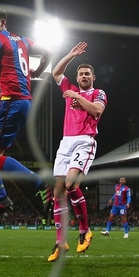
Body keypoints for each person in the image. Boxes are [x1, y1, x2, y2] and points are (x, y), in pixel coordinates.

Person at [0, 10, 53, 222]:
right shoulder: (23, 40)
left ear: (3, 22)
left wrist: (0, 68)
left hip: (11, 102)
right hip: (19, 102)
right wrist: (36, 71)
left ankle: (41, 182)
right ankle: (1, 198)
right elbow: (48, 51)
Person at [47, 42, 106, 261]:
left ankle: (84, 230)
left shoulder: (98, 93)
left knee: (71, 184)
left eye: (87, 74)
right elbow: (55, 72)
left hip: (85, 141)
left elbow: (97, 111)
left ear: (93, 77)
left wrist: (76, 96)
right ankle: (60, 242)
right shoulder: (68, 87)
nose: (83, 76)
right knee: (58, 192)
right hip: (66, 142)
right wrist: (71, 54)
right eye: (80, 74)